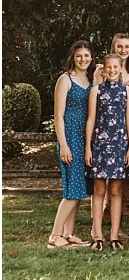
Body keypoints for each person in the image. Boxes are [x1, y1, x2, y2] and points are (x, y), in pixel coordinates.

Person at [85, 54, 129, 252]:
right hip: (100, 144)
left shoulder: (127, 91)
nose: (112, 70)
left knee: (116, 191)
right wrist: (88, 147)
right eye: (109, 67)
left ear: (121, 68)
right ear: (103, 70)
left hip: (120, 144)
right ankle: (97, 235)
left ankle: (114, 235)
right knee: (99, 190)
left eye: (116, 67)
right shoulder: (96, 91)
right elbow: (91, 120)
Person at [48, 41, 94, 249]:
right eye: (79, 56)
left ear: (91, 58)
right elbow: (58, 115)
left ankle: (68, 233)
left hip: (85, 138)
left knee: (79, 187)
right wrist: (63, 145)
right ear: (73, 58)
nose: (83, 59)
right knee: (73, 189)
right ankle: (55, 234)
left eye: (86, 55)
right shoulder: (65, 80)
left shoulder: (91, 79)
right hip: (70, 137)